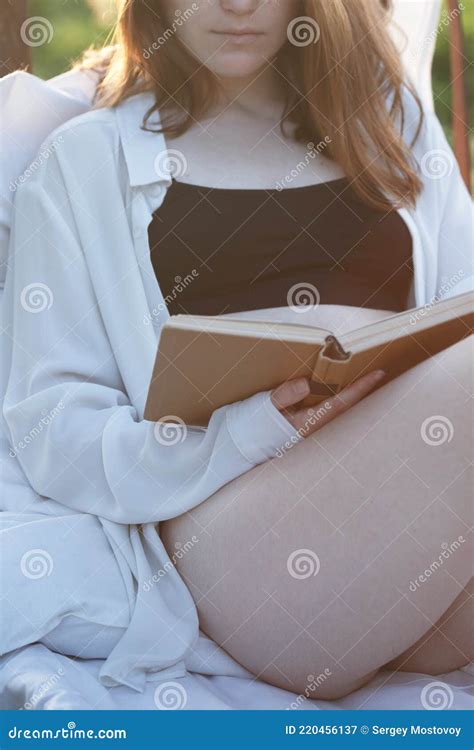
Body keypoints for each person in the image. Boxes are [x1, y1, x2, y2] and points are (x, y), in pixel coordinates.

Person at [2, 0, 472, 699]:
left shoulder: (391, 122)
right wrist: (240, 434)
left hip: (413, 553)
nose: (237, 5)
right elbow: (52, 428)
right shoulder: (86, 159)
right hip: (240, 555)